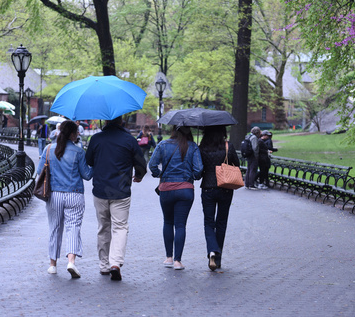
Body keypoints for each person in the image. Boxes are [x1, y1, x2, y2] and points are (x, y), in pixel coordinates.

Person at [85, 116, 146, 281]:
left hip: (100, 190)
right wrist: (139, 175)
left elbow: (88, 160)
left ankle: (104, 265)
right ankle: (115, 263)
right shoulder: (129, 140)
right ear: (121, 122)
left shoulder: (96, 138)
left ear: (105, 121)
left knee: (103, 227)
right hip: (121, 190)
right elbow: (141, 162)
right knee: (120, 228)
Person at [35, 120, 93, 279]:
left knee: (55, 228)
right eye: (77, 132)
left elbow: (40, 171)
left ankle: (52, 265)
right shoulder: (79, 152)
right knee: (73, 227)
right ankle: (71, 262)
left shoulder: (48, 149)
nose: (79, 135)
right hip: (75, 194)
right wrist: (93, 163)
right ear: (72, 134)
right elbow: (87, 175)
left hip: (54, 195)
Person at [148, 125, 203, 271]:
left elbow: (152, 164)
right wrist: (193, 176)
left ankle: (168, 258)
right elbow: (198, 170)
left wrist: (158, 174)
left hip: (166, 188)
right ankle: (178, 261)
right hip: (185, 189)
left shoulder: (163, 145)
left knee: (168, 222)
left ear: (173, 130)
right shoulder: (193, 147)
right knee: (180, 225)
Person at [199, 125, 240, 271]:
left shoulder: (202, 147)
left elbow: (198, 169)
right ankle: (218, 257)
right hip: (226, 187)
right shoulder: (228, 146)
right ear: (222, 132)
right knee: (221, 222)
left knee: (208, 222)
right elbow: (237, 164)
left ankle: (211, 250)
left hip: (208, 187)